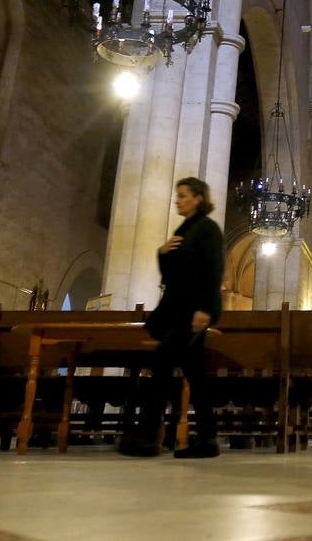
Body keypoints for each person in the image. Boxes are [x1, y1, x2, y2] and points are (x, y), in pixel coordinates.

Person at [120, 177, 224, 458]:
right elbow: (171, 277)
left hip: (191, 313)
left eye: (183, 195)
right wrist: (162, 253)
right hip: (179, 311)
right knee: (195, 377)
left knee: (162, 368)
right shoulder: (186, 230)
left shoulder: (207, 230)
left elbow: (214, 271)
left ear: (199, 198)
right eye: (177, 195)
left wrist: (206, 309)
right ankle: (207, 439)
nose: (177, 200)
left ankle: (148, 437)